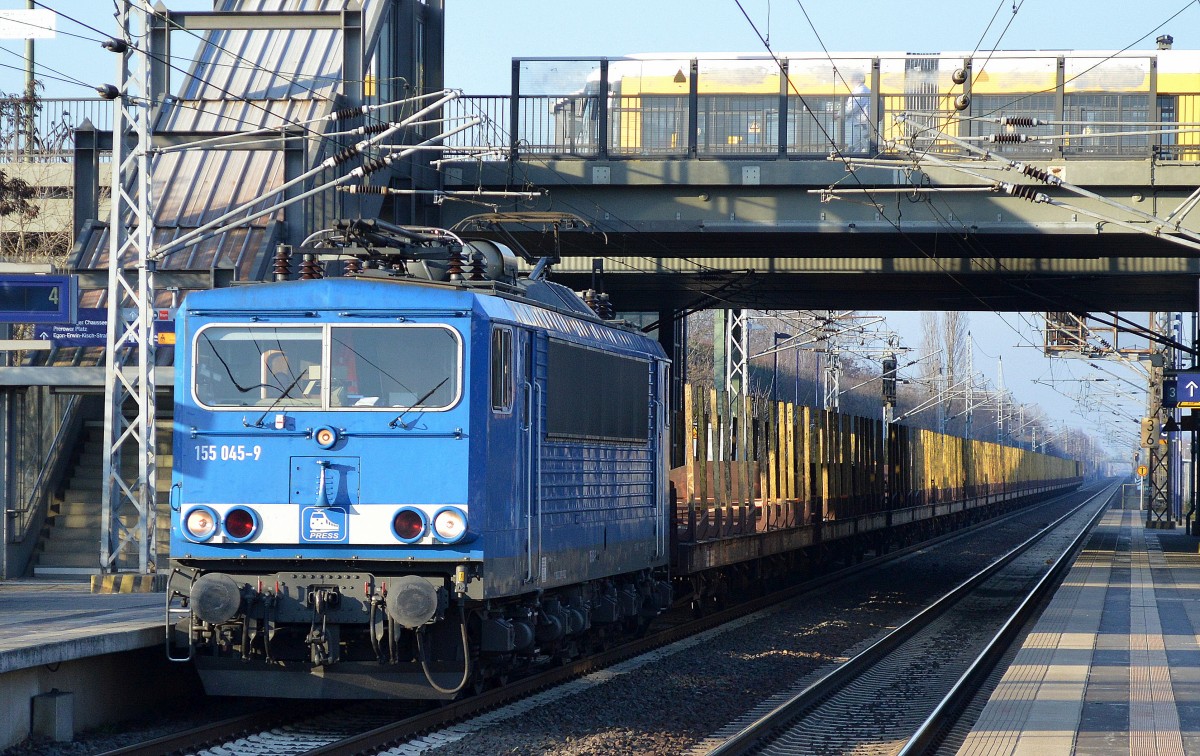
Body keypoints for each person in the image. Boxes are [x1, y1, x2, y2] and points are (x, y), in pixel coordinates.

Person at [844, 72, 872, 154]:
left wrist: (840, 113)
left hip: (862, 123)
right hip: (858, 123)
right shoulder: (862, 89)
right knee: (854, 147)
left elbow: (852, 106)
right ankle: (851, 160)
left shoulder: (861, 90)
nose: (852, 81)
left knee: (867, 146)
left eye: (853, 79)